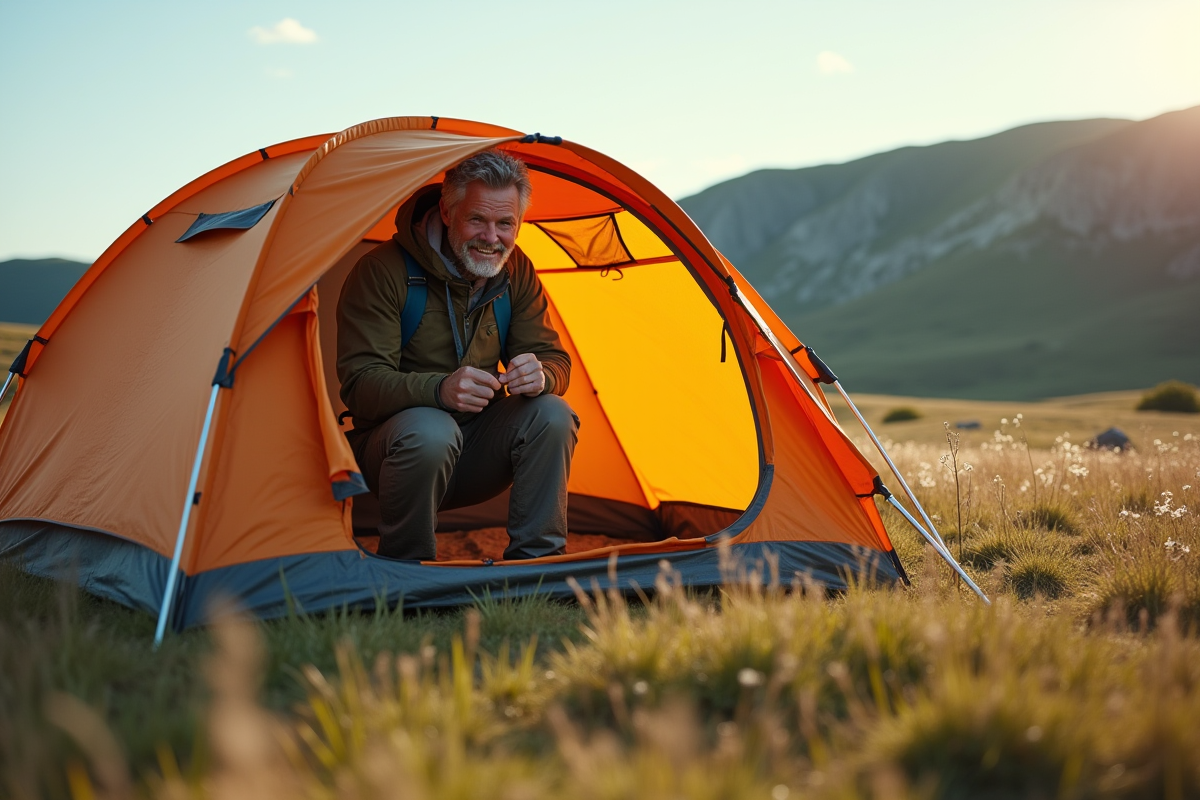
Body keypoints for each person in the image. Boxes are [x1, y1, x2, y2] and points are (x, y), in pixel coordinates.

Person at [336, 150, 577, 561]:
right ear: (447, 212)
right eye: (477, 220)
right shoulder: (382, 271)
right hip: (396, 455)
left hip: (478, 450)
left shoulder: (516, 270)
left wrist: (542, 376)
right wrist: (441, 391)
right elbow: (360, 385)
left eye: (505, 224)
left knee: (552, 413)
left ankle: (539, 569)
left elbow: (554, 360)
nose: (491, 237)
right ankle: (408, 569)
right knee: (431, 430)